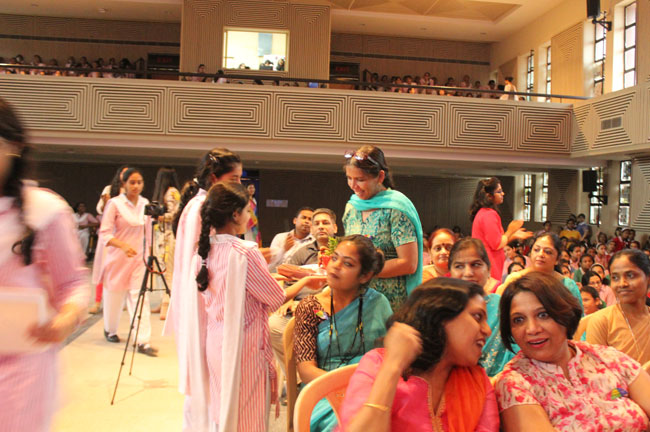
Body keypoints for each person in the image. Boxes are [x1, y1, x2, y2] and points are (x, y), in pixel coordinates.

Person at [0, 97, 88, 431]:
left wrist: (66, 319)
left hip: (23, 374)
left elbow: (73, 283)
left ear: (14, 147)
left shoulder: (45, 210)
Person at [338, 278, 499, 432]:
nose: (487, 330)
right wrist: (393, 367)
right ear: (440, 316)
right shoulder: (378, 363)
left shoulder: (477, 383)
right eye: (477, 317)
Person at [496, 271, 650, 431]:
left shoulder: (607, 357)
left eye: (543, 315)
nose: (532, 329)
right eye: (518, 320)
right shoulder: (514, 384)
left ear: (565, 314)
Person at [194, 182, 285, 432]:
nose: (249, 216)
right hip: (244, 346)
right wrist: (305, 283)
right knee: (247, 418)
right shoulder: (244, 251)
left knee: (224, 411)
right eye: (247, 210)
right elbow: (275, 298)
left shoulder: (204, 251)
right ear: (235, 214)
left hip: (215, 342)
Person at [167, 148, 243, 432]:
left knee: (202, 376)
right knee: (204, 376)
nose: (238, 184)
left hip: (198, 293)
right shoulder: (202, 207)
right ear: (214, 177)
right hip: (202, 296)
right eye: (234, 178)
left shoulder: (199, 204)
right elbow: (209, 257)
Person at [294, 234, 391, 431]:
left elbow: (390, 356)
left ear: (364, 276)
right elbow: (306, 370)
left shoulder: (378, 304)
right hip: (324, 391)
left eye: (347, 264)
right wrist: (346, 388)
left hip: (370, 388)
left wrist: (365, 388)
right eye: (334, 258)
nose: (335, 266)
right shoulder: (311, 307)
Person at [342, 145, 422, 310]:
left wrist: (364, 271)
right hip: (355, 299)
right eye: (349, 178)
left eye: (360, 179)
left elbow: (409, 263)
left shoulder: (396, 208)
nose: (353, 185)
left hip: (389, 302)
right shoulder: (352, 207)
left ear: (380, 176)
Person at [99, 167, 157, 355]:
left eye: (139, 182)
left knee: (139, 297)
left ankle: (142, 341)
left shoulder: (145, 203)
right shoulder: (114, 204)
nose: (136, 186)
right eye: (132, 182)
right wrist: (122, 246)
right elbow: (105, 233)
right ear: (123, 183)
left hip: (139, 258)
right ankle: (110, 329)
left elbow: (149, 231)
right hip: (118, 257)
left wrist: (150, 253)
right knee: (114, 296)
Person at [449, 237, 513, 377]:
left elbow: (518, 351)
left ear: (489, 270)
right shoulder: (444, 310)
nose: (468, 273)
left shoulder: (503, 306)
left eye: (476, 265)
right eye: (459, 266)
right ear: (450, 272)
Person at [586, 249, 650, 371]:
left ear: (648, 279)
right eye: (615, 277)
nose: (622, 284)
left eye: (630, 275)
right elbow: (596, 374)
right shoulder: (601, 321)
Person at [499, 233, 583, 310]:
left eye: (548, 252)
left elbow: (577, 318)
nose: (540, 254)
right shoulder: (515, 279)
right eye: (536, 250)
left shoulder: (567, 285)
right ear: (530, 253)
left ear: (557, 259)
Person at [470, 177, 530, 281]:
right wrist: (510, 230)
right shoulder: (488, 214)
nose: (503, 193)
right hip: (490, 264)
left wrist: (513, 235)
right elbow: (496, 244)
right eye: (499, 191)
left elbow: (497, 241)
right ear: (489, 196)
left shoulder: (485, 213)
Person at [90, 164, 129, 314]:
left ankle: (121, 301)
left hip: (124, 235)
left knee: (122, 268)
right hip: (108, 234)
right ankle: (97, 301)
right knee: (103, 267)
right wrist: (106, 202)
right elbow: (99, 209)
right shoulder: (109, 189)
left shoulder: (131, 192)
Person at [151, 166, 181, 320]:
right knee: (161, 269)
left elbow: (175, 213)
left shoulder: (172, 192)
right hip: (162, 235)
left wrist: (162, 217)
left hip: (169, 236)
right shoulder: (168, 193)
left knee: (168, 270)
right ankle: (164, 300)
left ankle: (167, 303)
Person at [268, 207, 314, 272]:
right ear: (295, 221)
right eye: (304, 218)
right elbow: (269, 264)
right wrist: (283, 250)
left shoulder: (314, 242)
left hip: (303, 276)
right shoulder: (280, 238)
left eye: (310, 219)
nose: (306, 221)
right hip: (278, 275)